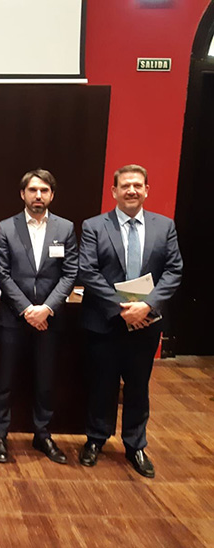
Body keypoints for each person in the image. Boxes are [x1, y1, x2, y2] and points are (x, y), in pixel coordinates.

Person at [78, 164, 183, 478]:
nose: (132, 190)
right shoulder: (94, 226)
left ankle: (135, 444)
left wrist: (146, 307)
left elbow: (173, 271)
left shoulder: (164, 227)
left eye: (138, 185)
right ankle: (95, 439)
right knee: (102, 383)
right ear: (114, 191)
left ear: (147, 190)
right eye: (125, 185)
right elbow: (88, 271)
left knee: (138, 386)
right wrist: (124, 308)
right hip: (106, 321)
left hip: (146, 323)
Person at [0, 169, 78, 465]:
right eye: (32, 190)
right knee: (4, 380)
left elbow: (69, 274)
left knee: (46, 381)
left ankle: (42, 435)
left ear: (52, 195)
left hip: (50, 320)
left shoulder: (65, 229)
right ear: (22, 194)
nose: (37, 196)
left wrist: (47, 308)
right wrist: (27, 309)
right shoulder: (6, 228)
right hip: (14, 318)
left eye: (43, 190)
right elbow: (1, 274)